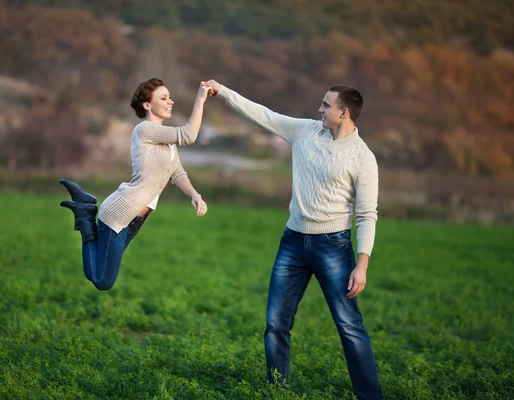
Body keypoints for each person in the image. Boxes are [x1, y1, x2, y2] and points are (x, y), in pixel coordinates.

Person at [202, 79, 382, 399]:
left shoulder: (362, 157)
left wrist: (362, 263)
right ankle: (277, 391)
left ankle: (371, 396)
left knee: (350, 328)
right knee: (275, 323)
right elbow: (264, 115)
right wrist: (224, 91)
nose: (319, 109)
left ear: (344, 112)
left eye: (326, 105)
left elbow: (367, 214)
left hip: (334, 248)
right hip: (293, 243)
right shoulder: (305, 131)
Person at [59, 78, 210, 291]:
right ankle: (84, 216)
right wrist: (200, 99)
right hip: (119, 213)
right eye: (164, 98)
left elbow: (177, 173)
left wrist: (195, 195)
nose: (170, 102)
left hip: (133, 221)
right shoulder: (144, 130)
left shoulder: (167, 142)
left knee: (98, 275)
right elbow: (189, 135)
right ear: (147, 105)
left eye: (170, 98)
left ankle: (85, 209)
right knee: (102, 281)